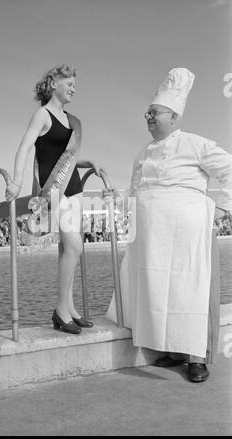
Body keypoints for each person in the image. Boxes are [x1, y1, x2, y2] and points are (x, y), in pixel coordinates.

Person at [106, 68, 232, 382]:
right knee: (159, 291)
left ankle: (196, 357)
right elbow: (135, 193)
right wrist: (116, 198)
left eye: (154, 112)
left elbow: (230, 170)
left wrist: (219, 209)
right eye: (146, 113)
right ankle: (170, 349)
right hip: (152, 236)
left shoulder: (196, 144)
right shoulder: (141, 154)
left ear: (174, 116)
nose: (148, 117)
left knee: (190, 289)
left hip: (188, 232)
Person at [6, 64, 103, 334]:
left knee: (66, 249)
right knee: (74, 246)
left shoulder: (72, 120)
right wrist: (16, 180)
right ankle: (60, 310)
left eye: (75, 84)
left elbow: (68, 159)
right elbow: (25, 147)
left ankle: (69, 308)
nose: (73, 88)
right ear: (53, 84)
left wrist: (87, 163)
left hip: (73, 187)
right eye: (69, 83)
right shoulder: (43, 114)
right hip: (54, 190)